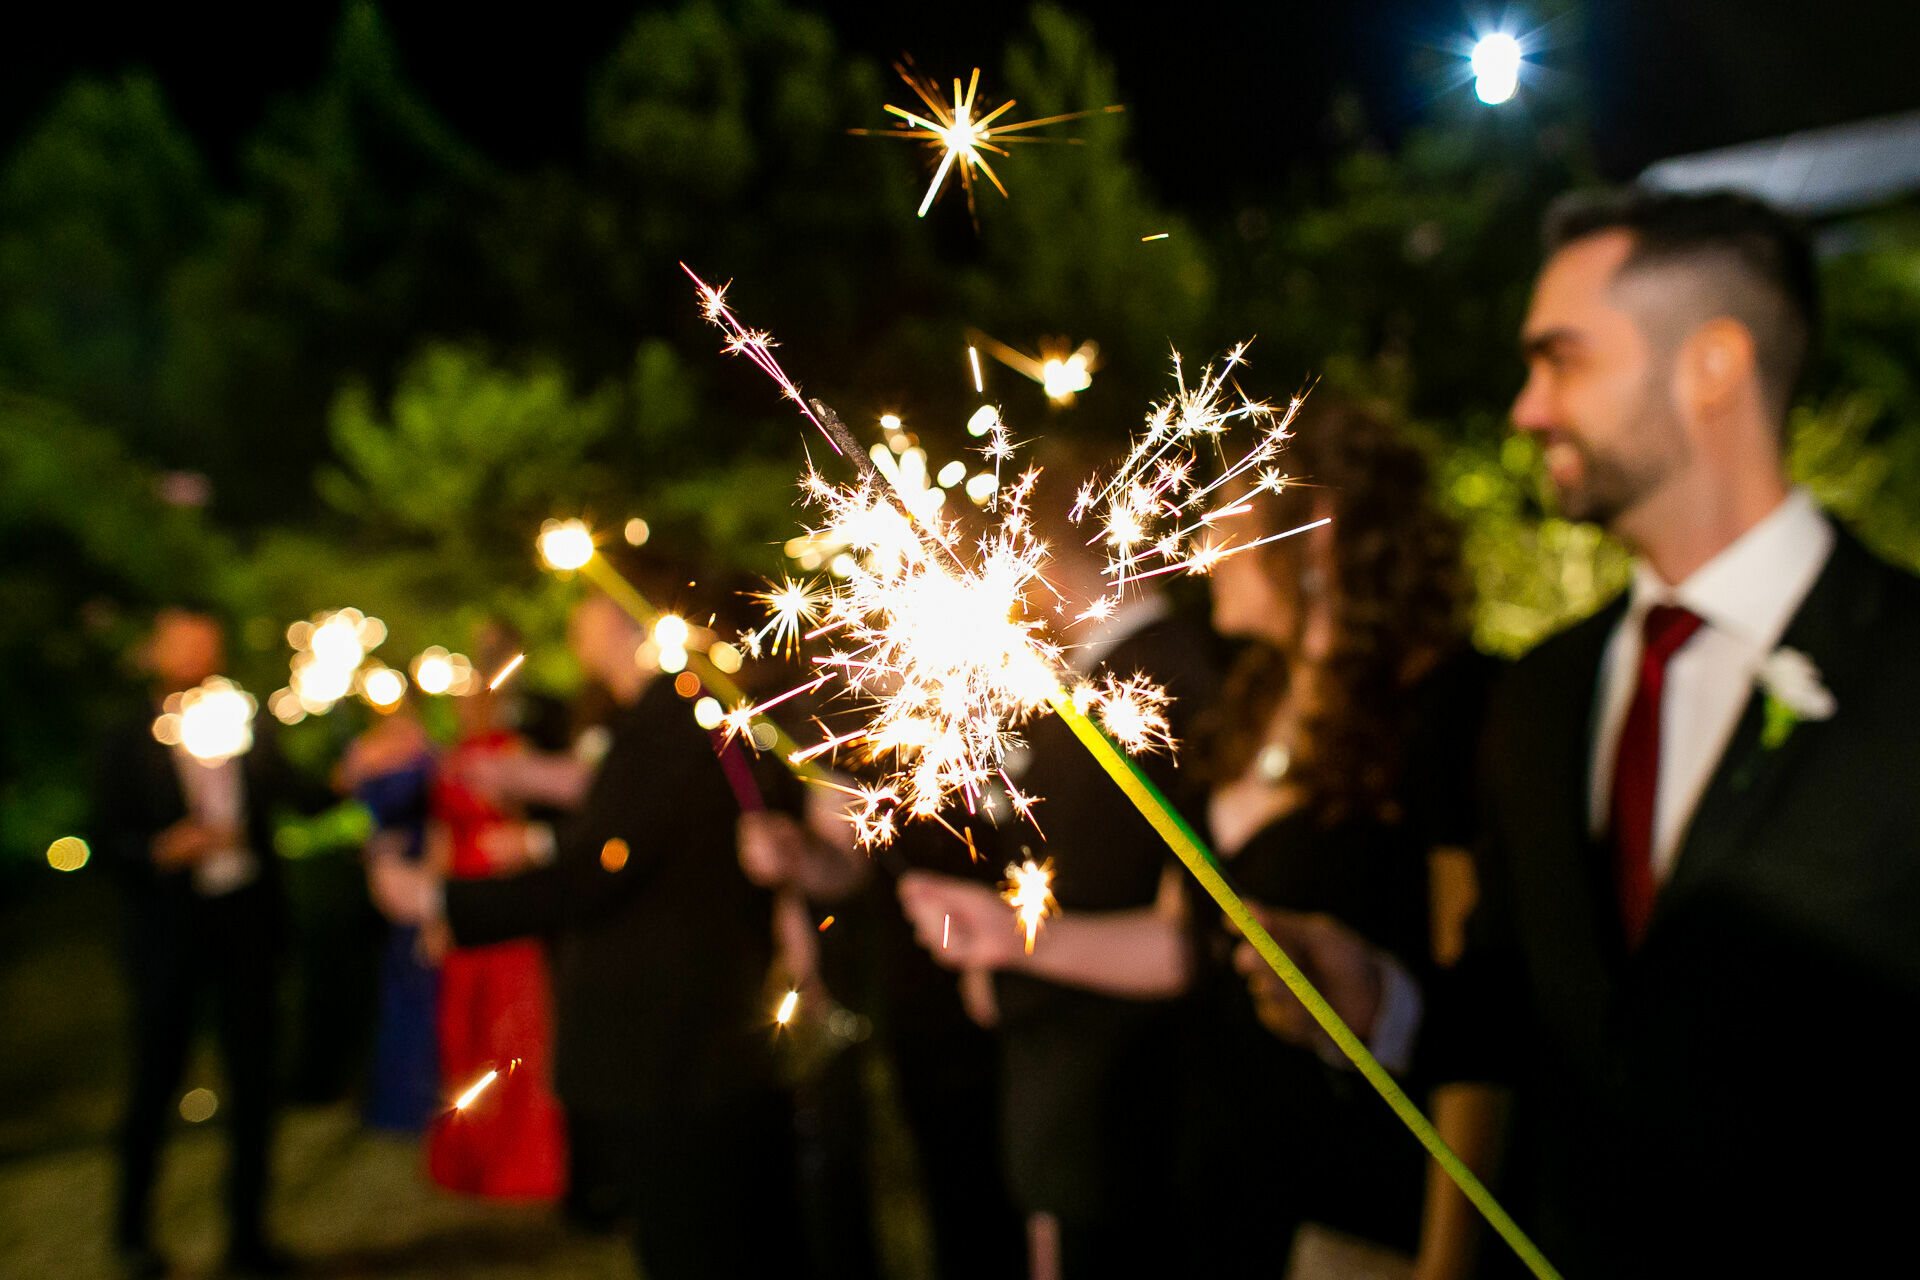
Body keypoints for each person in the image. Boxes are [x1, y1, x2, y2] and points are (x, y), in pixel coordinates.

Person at [1240, 188, 1920, 1278]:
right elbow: (1518, 997)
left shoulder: (1902, 664)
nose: (1526, 408)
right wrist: (1381, 996)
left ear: (1713, 365)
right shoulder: (1548, 691)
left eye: (1562, 360)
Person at [372, 570, 806, 1280]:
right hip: (690, 1038)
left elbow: (600, 874)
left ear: (628, 618)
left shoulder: (668, 721)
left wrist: (439, 901)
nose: (575, 622)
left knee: (697, 1242)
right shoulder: (667, 716)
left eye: (587, 604)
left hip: (676, 1045)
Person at [893, 467, 1221, 1280]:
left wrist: (999, 967)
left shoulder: (1128, 695)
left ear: (1040, 559)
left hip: (1111, 1102)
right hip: (1100, 1101)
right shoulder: (1148, 672)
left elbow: (1106, 892)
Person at [93, 608, 316, 1278]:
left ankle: (248, 1236)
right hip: (170, 934)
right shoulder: (125, 736)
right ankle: (132, 1236)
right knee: (155, 1081)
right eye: (184, 643)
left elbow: (294, 791)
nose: (197, 655)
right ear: (158, 648)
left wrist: (362, 769)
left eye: (207, 642)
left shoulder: (245, 720)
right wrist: (162, 849)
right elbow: (105, 840)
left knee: (253, 1084)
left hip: (245, 924)